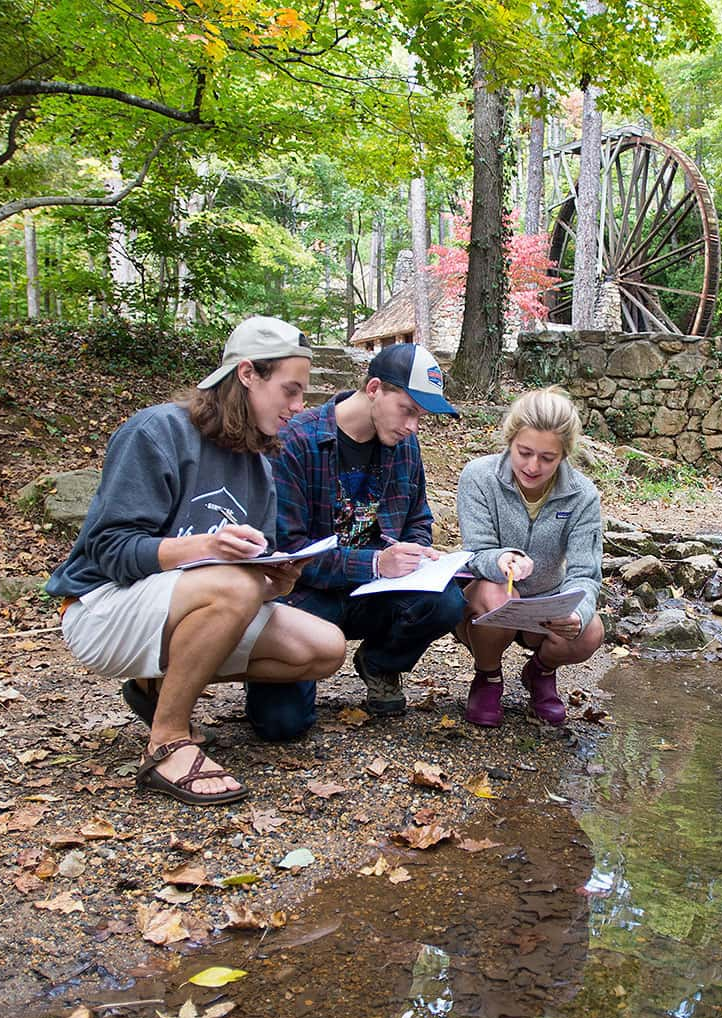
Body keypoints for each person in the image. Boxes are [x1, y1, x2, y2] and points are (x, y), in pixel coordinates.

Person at [46, 317, 346, 805]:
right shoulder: (158, 430)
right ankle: (167, 742)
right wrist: (208, 547)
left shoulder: (259, 464)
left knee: (324, 647)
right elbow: (108, 551)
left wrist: (279, 580)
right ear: (247, 373)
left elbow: (246, 580)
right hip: (100, 609)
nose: (298, 407)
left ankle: (153, 685)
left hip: (184, 608)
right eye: (290, 391)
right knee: (233, 588)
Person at [245, 342, 467, 740]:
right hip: (305, 594)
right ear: (374, 388)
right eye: (408, 410)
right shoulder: (297, 441)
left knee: (447, 600)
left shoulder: (403, 445)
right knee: (281, 727)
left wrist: (418, 552)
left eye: (420, 416)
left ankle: (380, 663)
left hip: (374, 593)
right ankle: (277, 670)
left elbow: (417, 517)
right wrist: (377, 563)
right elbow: (286, 549)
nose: (413, 426)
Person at [456, 389, 605, 727]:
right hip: (488, 600)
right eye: (524, 453)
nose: (533, 466)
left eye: (547, 458)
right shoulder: (479, 477)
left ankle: (540, 672)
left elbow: (586, 573)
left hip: (546, 604)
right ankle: (488, 677)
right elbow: (474, 553)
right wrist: (500, 560)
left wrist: (577, 616)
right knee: (500, 594)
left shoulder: (582, 495)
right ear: (510, 441)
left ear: (565, 454)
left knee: (591, 631)